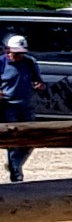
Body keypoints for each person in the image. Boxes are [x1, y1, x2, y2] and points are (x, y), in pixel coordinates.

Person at [0, 33, 37, 183]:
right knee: (14, 141)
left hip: (26, 105)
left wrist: (38, 85)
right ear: (8, 50)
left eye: (21, 53)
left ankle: (15, 164)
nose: (18, 56)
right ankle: (16, 176)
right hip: (8, 106)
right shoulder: (1, 62)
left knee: (32, 139)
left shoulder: (29, 62)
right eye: (15, 53)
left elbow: (38, 80)